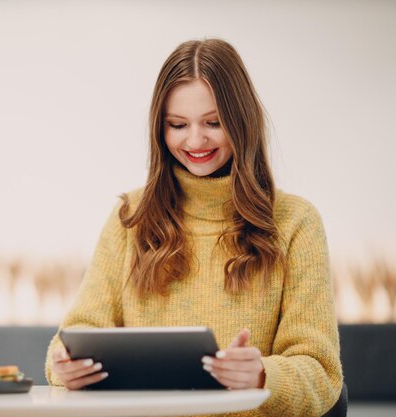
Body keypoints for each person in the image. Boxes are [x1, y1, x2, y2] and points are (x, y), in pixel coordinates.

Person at [45, 38, 342, 417]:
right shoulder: (130, 216)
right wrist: (65, 367)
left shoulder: (296, 222)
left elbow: (322, 372)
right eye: (178, 125)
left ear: (241, 121)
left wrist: (263, 375)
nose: (195, 140)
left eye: (214, 123)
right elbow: (76, 333)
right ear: (160, 128)